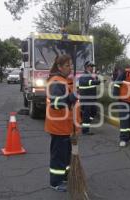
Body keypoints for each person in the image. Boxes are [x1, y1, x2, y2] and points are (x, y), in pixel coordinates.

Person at [44, 55, 81, 192]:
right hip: (58, 127)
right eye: (67, 65)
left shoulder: (64, 80)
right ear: (59, 67)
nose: (70, 68)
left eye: (71, 65)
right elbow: (56, 103)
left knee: (65, 156)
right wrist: (72, 97)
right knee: (58, 157)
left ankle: (64, 177)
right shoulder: (56, 82)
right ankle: (55, 182)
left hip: (65, 127)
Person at [78, 61, 101, 135]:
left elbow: (93, 82)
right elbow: (87, 82)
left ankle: (85, 121)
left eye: (92, 66)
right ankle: (85, 130)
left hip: (92, 98)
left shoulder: (91, 75)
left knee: (94, 111)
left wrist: (96, 78)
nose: (92, 68)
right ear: (87, 67)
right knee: (86, 114)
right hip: (86, 99)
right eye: (91, 66)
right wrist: (96, 81)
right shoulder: (84, 75)